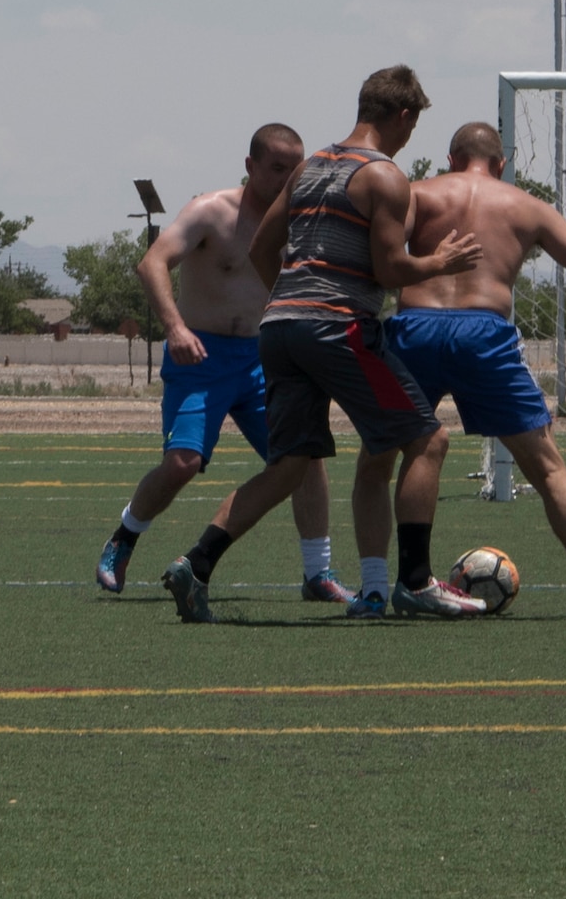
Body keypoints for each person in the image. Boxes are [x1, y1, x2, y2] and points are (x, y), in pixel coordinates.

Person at [158, 64, 482, 624]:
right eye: (412, 127)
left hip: (280, 327)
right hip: (340, 327)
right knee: (428, 442)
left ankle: (198, 562)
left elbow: (263, 248)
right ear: (403, 117)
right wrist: (440, 262)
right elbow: (389, 268)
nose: (410, 139)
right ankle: (413, 582)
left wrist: (290, 299)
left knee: (289, 466)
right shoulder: (384, 176)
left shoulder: (310, 168)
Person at [377, 122, 566, 619]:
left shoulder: (417, 194)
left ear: (451, 158)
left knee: (380, 458)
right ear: (502, 164)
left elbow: (381, 262)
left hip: (413, 328)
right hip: (482, 334)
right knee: (546, 465)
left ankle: (371, 588)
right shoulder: (526, 206)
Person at [94, 124, 348, 603]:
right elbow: (152, 263)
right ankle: (124, 537)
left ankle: (318, 573)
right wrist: (176, 328)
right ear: (250, 167)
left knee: (305, 457)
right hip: (201, 356)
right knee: (183, 463)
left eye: (294, 170)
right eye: (276, 168)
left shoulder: (300, 222)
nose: (285, 179)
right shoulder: (211, 210)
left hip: (263, 359)